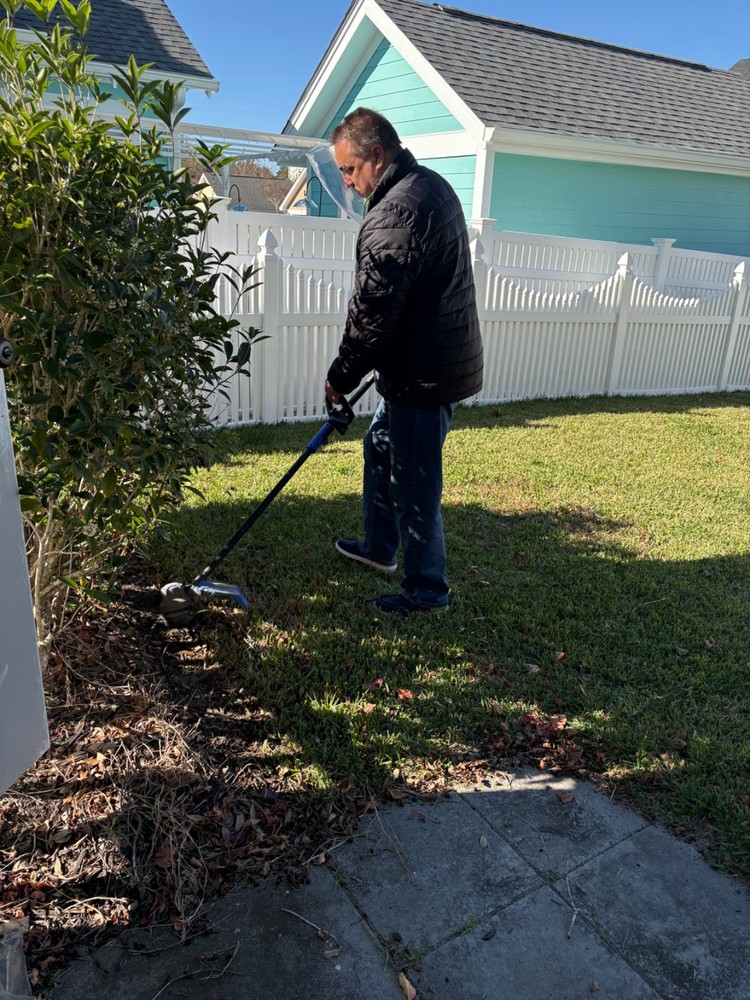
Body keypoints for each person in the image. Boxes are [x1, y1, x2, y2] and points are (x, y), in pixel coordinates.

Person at [324, 107, 483, 615]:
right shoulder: (429, 186)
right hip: (424, 361)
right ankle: (378, 547)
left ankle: (427, 591)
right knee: (380, 447)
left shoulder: (396, 212)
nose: (347, 183)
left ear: (376, 156)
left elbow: (372, 312)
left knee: (414, 482)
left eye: (349, 170)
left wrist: (339, 376)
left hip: (423, 373)